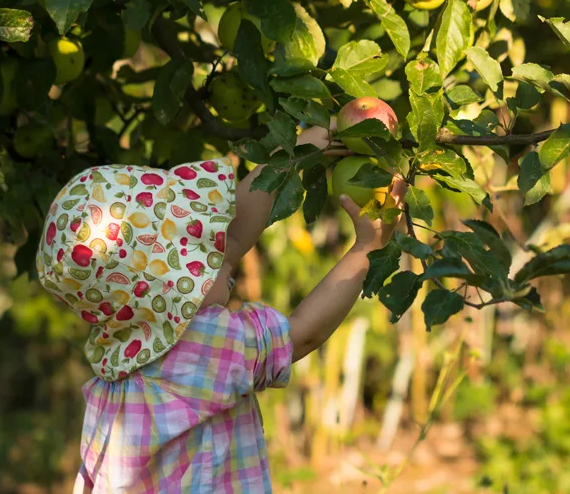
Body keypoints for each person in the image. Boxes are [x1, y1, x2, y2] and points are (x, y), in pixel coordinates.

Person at [35, 124, 406, 492]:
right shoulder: (203, 342)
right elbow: (303, 334)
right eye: (199, 253)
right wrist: (368, 247)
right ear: (172, 290)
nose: (222, 253)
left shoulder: (123, 342)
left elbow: (234, 237)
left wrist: (291, 156)